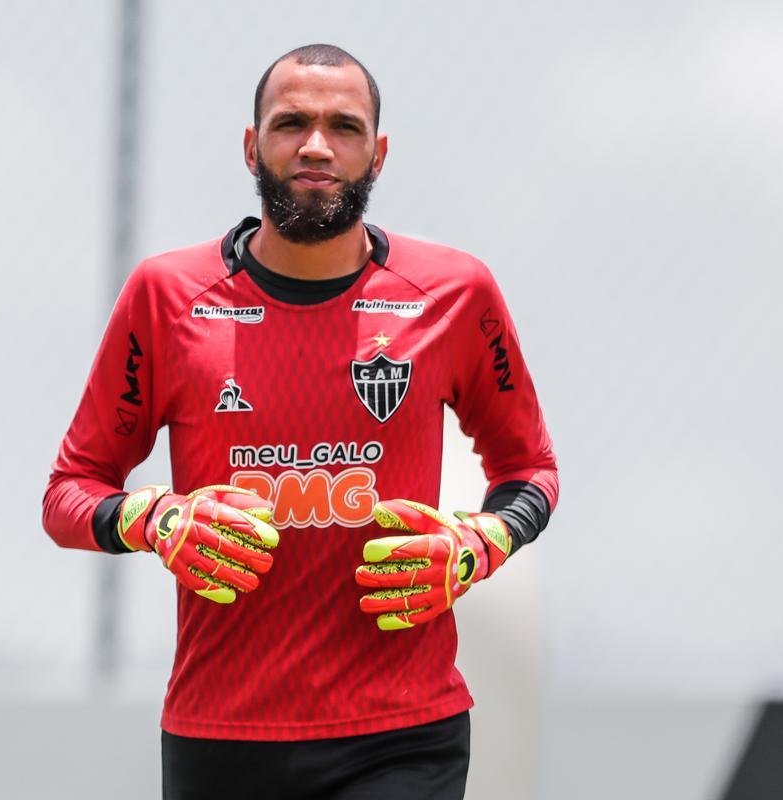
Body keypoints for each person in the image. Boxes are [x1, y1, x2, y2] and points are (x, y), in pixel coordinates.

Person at [43, 43, 558, 800]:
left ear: (377, 153)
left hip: (402, 735)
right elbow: (69, 493)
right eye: (291, 123)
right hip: (221, 738)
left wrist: (480, 542)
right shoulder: (167, 295)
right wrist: (152, 520)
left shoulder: (453, 293)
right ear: (252, 146)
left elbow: (530, 472)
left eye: (343, 127)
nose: (316, 146)